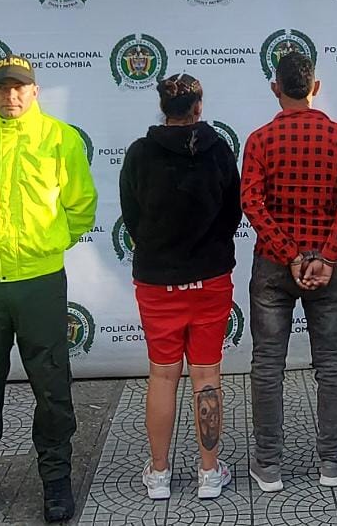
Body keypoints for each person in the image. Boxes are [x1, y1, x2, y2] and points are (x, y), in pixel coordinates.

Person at [0, 55, 98, 526]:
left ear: (35, 91)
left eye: (20, 87)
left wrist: (45, 246)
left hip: (39, 282)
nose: (11, 95)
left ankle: (56, 480)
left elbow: (82, 206)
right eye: (2, 88)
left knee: (51, 384)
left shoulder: (60, 139)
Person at [240, 51, 337, 492]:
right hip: (327, 266)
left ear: (275, 89)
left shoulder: (259, 140)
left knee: (267, 365)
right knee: (331, 364)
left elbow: (251, 203)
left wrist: (290, 255)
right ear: (315, 87)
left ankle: (268, 466)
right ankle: (331, 463)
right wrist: (326, 258)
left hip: (274, 266)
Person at [119, 74, 242, 501]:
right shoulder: (219, 149)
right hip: (210, 279)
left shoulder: (139, 153)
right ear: (199, 106)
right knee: (207, 375)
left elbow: (131, 215)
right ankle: (209, 473)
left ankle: (159, 473)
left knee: (162, 374)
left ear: (162, 108)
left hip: (157, 282)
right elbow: (232, 214)